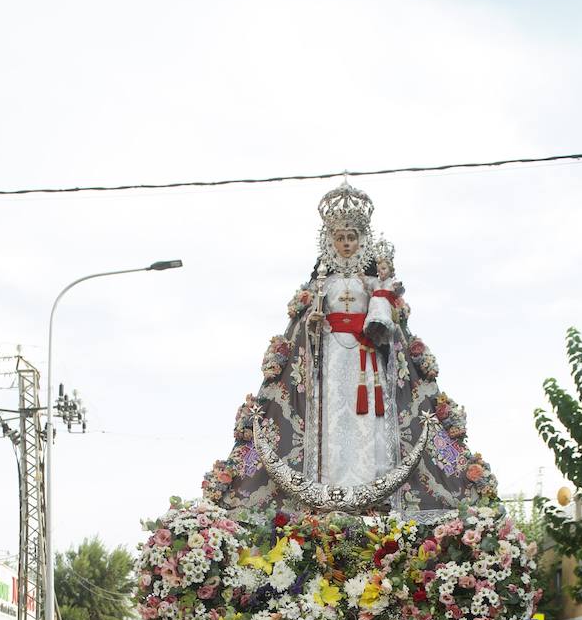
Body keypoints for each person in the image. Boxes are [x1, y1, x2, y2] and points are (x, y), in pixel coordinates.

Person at [201, 182, 497, 521]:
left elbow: (389, 323)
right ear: (329, 241)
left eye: (352, 238)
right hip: (328, 364)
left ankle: (373, 492)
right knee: (331, 423)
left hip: (364, 362)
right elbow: (302, 335)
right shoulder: (319, 285)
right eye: (340, 238)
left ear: (362, 241)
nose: (346, 244)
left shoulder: (372, 284)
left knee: (366, 421)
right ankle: (328, 493)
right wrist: (314, 325)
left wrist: (379, 316)